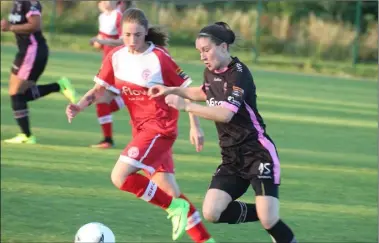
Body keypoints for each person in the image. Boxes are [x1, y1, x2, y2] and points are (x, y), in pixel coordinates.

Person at [66, 8, 215, 243]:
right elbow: (99, 90)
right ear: (121, 34)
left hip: (160, 129)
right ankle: (206, 240)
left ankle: (173, 208)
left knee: (120, 177)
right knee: (171, 192)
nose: (132, 40)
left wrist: (195, 125)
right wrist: (78, 105)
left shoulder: (159, 58)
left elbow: (186, 91)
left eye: (137, 35)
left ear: (146, 33)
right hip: (142, 131)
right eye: (127, 35)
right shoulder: (116, 56)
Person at [148, 22, 297, 243]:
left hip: (257, 154)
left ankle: (269, 216)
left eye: (206, 50)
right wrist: (170, 89)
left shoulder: (239, 74)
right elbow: (203, 92)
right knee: (211, 212)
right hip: (231, 158)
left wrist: (186, 106)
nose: (202, 56)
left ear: (224, 47)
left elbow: (225, 114)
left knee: (270, 220)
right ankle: (265, 212)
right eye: (200, 51)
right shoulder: (210, 72)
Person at [1, 0, 76, 144]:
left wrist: (10, 27)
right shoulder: (17, 3)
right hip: (24, 51)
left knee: (17, 94)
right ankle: (58, 86)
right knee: (18, 95)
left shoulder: (31, 2)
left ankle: (27, 136)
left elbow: (35, 25)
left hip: (33, 51)